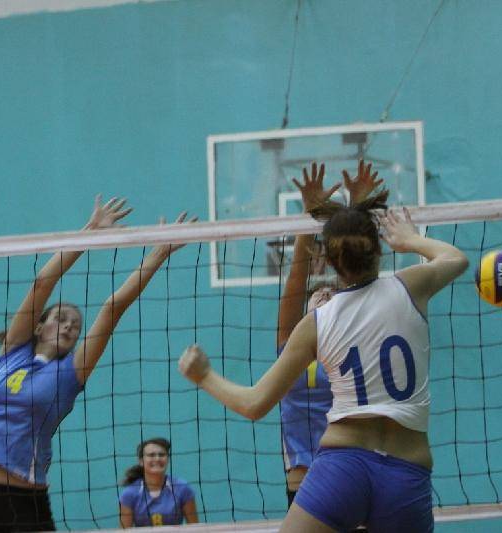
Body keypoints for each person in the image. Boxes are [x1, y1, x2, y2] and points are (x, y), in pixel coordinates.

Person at [180, 161, 469, 533]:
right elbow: (456, 258)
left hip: (343, 469)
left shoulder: (317, 322)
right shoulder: (410, 286)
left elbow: (254, 404)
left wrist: (204, 375)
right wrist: (409, 239)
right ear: (379, 249)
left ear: (330, 262)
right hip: (405, 471)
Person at [0, 196, 194, 532]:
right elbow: (43, 282)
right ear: (39, 326)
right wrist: (89, 232)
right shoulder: (12, 353)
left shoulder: (70, 373)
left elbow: (112, 308)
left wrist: (159, 253)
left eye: (76, 325)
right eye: (61, 319)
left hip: (27, 503)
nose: (70, 326)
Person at [279, 162, 383, 507]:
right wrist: (309, 216)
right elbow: (297, 278)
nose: (324, 294)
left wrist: (359, 211)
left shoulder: (354, 338)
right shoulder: (291, 346)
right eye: (317, 294)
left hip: (350, 467)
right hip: (304, 476)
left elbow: (360, 273)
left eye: (332, 293)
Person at [118, 437, 198, 527]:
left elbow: (195, 528)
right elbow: (124, 531)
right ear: (141, 461)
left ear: (168, 459)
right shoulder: (129, 494)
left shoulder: (182, 488)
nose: (157, 459)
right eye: (151, 455)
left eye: (161, 455)